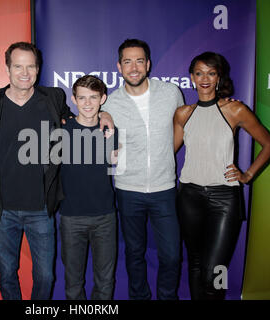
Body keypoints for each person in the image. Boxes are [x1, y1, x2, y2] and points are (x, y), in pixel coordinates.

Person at [0, 42, 114, 300]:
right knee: (7, 275)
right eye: (18, 66)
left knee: (46, 277)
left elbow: (82, 118)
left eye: (31, 66)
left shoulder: (53, 98)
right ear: (7, 69)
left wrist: (106, 114)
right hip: (3, 209)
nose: (24, 72)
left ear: (38, 70)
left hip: (41, 208)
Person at [173, 52, 270, 300]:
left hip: (224, 198)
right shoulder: (183, 114)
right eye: (199, 73)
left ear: (219, 77)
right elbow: (167, 152)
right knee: (196, 263)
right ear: (192, 78)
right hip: (189, 196)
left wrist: (248, 174)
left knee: (215, 269)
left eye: (211, 73)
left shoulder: (235, 109)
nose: (205, 78)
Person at [101, 39, 183, 300]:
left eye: (139, 60)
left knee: (171, 255)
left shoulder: (171, 93)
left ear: (148, 64)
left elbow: (180, 129)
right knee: (134, 253)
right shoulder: (110, 104)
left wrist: (164, 155)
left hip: (164, 189)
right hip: (128, 190)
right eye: (127, 61)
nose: (133, 67)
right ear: (119, 66)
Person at [59, 75, 118, 300]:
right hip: (71, 217)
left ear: (103, 98)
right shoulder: (62, 131)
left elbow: (114, 163)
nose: (87, 103)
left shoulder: (110, 130)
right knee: (73, 283)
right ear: (74, 99)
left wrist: (107, 121)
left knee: (105, 283)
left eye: (93, 97)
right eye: (82, 98)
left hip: (105, 216)